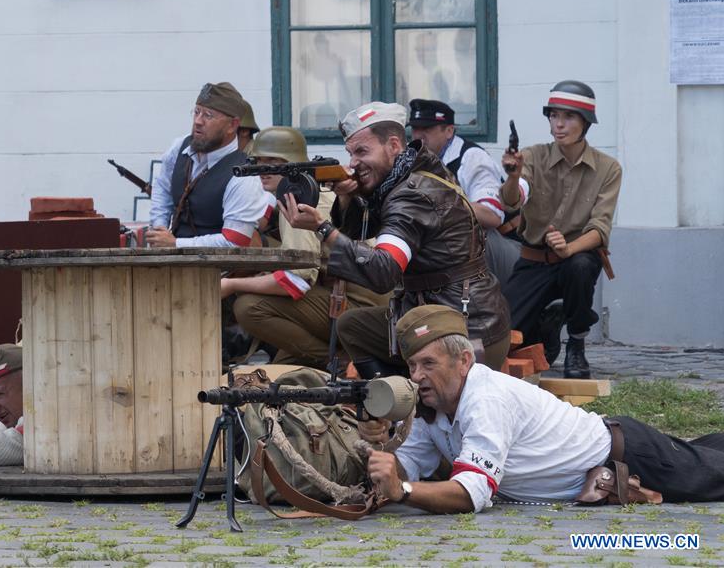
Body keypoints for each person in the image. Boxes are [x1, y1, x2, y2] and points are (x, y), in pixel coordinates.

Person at [361, 305, 724, 513]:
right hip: (617, 453)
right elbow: (408, 463)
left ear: (464, 361)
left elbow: (471, 494)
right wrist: (382, 454)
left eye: (428, 364)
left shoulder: (485, 399)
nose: (417, 376)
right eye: (412, 366)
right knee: (709, 452)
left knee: (718, 477)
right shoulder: (433, 405)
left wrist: (402, 489)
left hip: (629, 456)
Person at [281, 102, 510, 376]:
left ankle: (404, 396)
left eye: (362, 151)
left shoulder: (409, 195)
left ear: (393, 146)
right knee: (352, 325)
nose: (352, 163)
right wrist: (348, 195)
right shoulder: (413, 172)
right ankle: (395, 393)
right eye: (351, 153)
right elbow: (363, 230)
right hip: (449, 314)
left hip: (464, 332)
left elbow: (383, 272)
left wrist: (322, 229)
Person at [224, 126, 387, 368]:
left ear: (292, 164)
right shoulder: (312, 190)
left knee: (249, 306)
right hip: (362, 297)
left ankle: (342, 364)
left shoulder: (300, 198)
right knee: (283, 372)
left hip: (358, 302)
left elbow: (296, 280)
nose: (262, 170)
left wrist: (230, 285)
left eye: (273, 162)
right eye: (258, 161)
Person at [500, 80, 622, 378]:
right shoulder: (532, 156)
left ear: (585, 123)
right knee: (504, 337)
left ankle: (577, 343)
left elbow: (600, 228)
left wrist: (568, 248)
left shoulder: (608, 168)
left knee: (580, 267)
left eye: (568, 117)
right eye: (554, 116)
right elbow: (513, 201)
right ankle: (546, 329)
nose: (559, 124)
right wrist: (513, 177)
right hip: (534, 259)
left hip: (576, 258)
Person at [408, 99, 521, 286]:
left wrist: (439, 201)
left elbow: (491, 216)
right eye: (415, 129)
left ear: (449, 131)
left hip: (508, 248)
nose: (418, 135)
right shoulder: (415, 159)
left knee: (470, 234)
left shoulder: (471, 157)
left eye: (426, 129)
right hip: (458, 255)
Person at [147, 82, 268, 248]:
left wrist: (176, 244)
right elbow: (163, 187)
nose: (198, 121)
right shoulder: (179, 147)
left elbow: (235, 242)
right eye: (197, 112)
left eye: (208, 115)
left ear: (232, 125)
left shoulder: (243, 175)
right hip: (173, 259)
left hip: (219, 264)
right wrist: (159, 227)